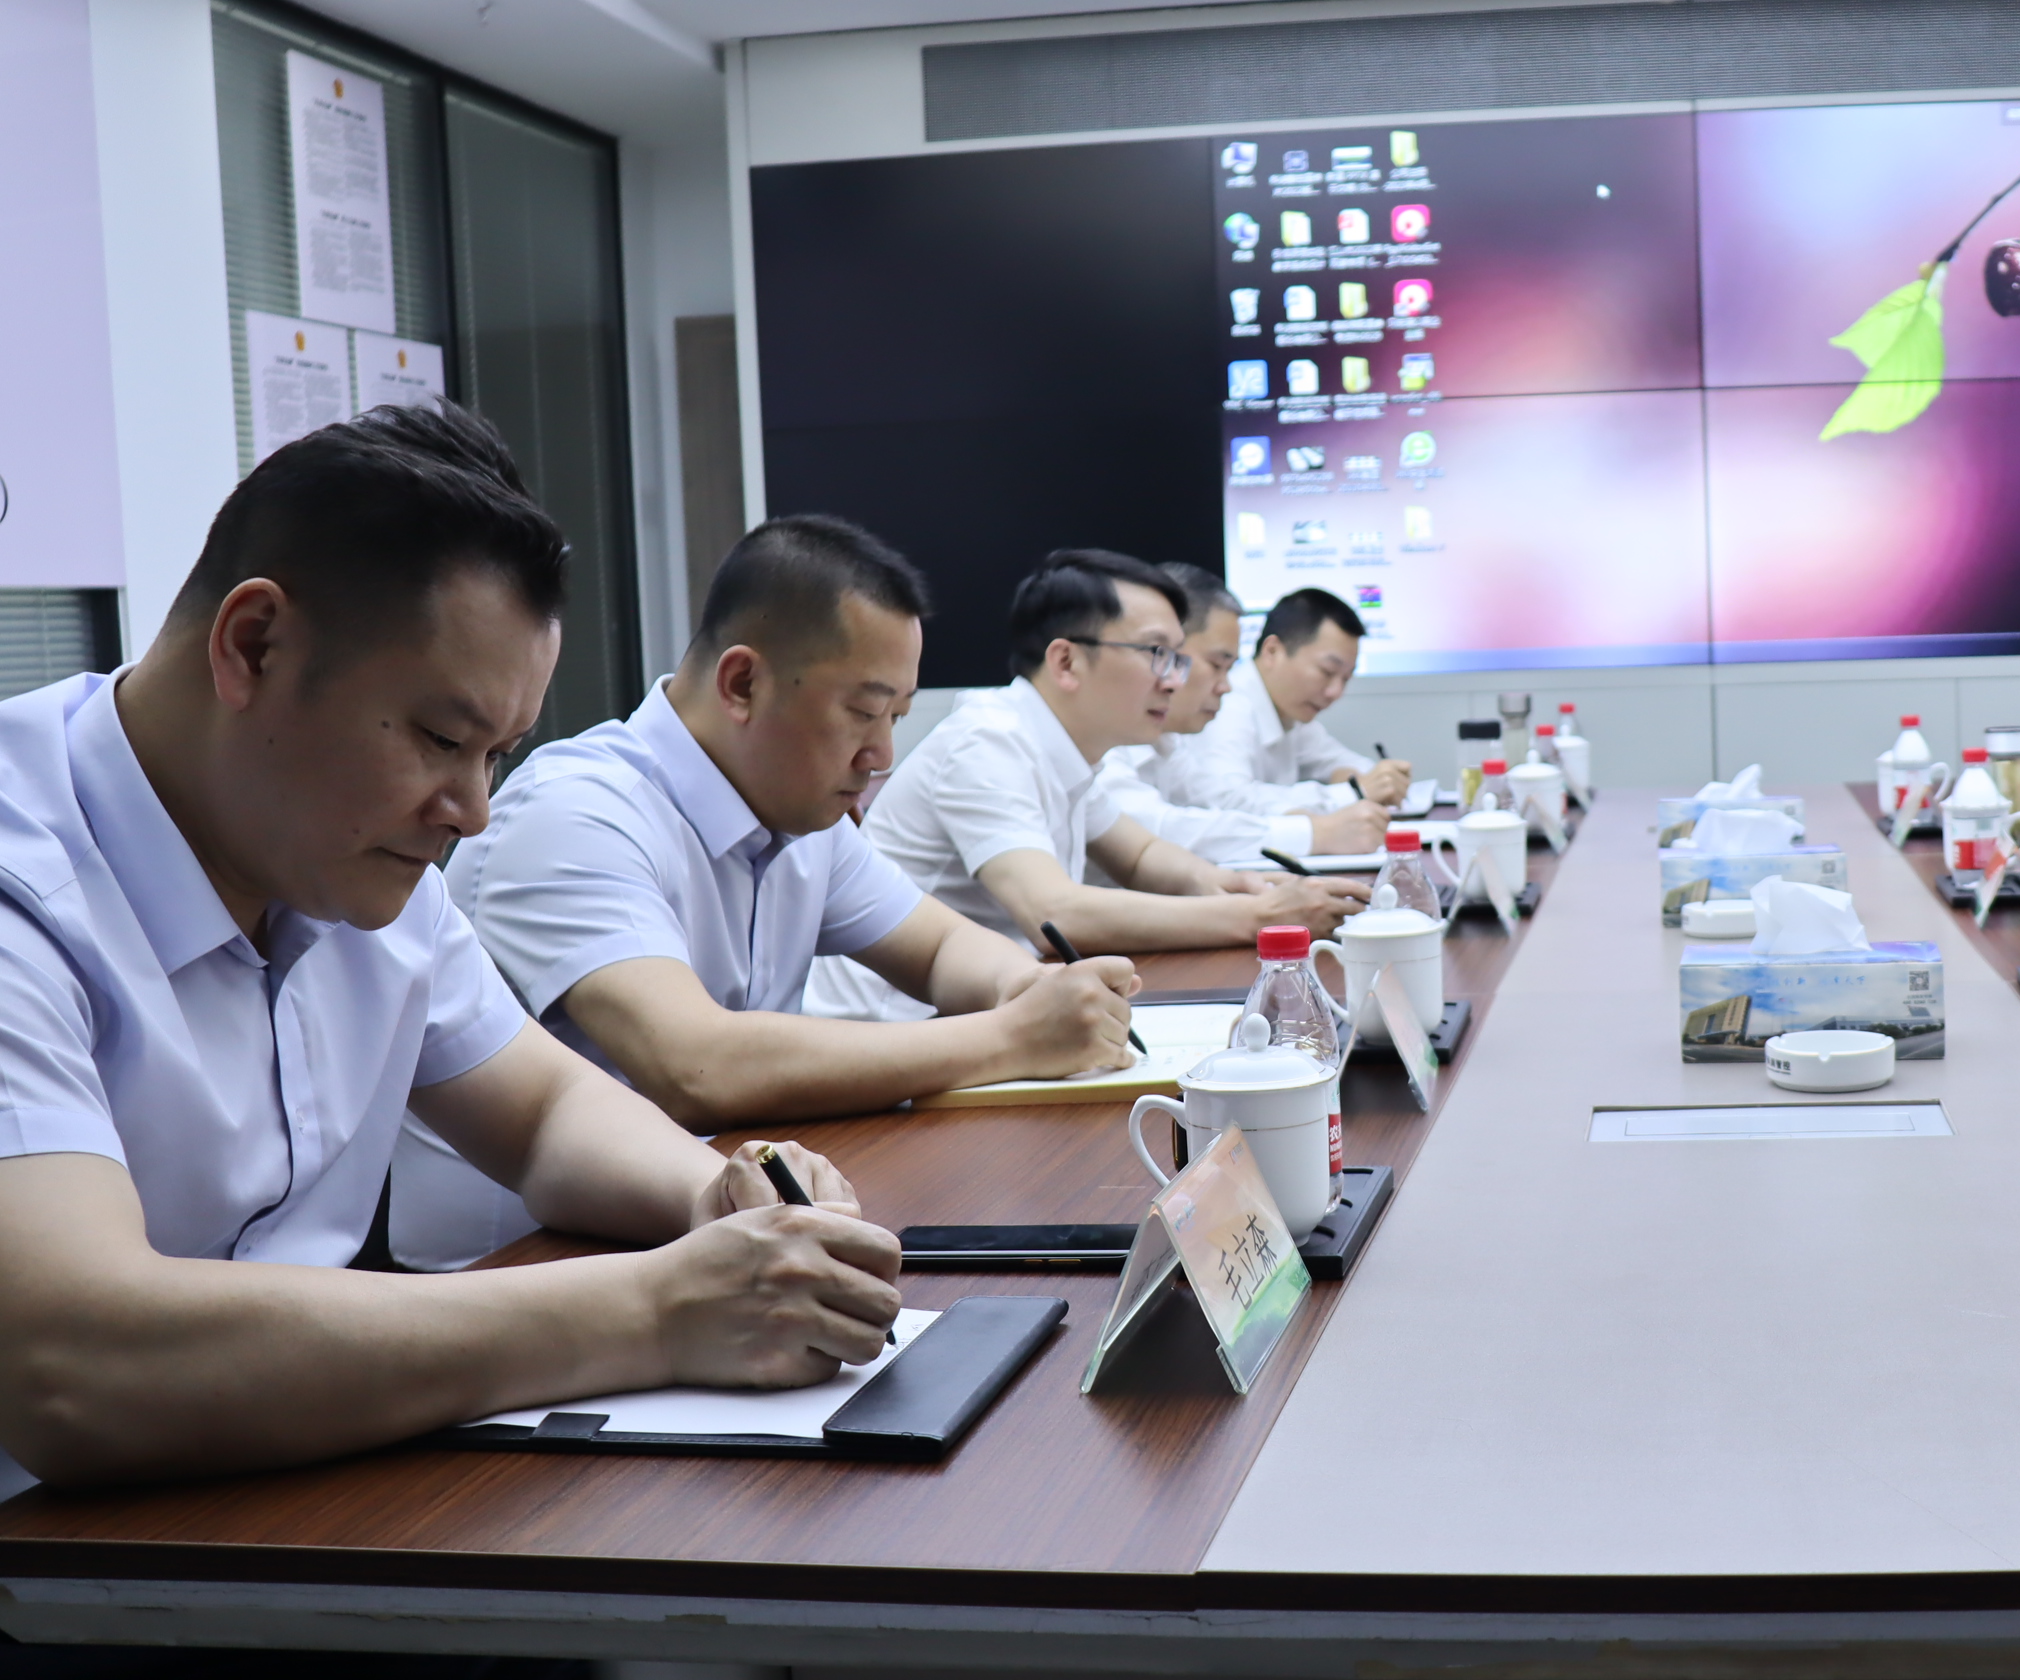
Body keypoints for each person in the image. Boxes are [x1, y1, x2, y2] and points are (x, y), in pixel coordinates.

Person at [0, 407, 897, 1497]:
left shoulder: (337, 854)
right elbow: (72, 1364)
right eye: (440, 739)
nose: (472, 810)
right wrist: (661, 1310)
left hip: (304, 1497)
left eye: (497, 754)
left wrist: (723, 1196)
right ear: (253, 646)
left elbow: (546, 1112)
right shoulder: (27, 885)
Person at [386, 516, 1141, 1271]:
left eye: (897, 717)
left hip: (722, 1225)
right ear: (743, 683)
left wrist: (1030, 991)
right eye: (864, 712)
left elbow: (942, 947)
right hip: (528, 1268)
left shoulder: (798, 813)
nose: (881, 755)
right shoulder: (574, 812)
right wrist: (1013, 1036)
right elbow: (697, 1067)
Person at [808, 551, 1365, 1019]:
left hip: (981, 1011)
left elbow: (1142, 856)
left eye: (1178, 658)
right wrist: (1258, 918)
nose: (1174, 680)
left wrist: (1239, 886)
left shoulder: (1066, 748)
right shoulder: (987, 741)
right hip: (895, 1033)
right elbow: (1055, 913)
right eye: (1157, 654)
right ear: (1067, 662)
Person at [1095, 561, 1391, 863]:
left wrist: (1313, 823)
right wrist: (1315, 832)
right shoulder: (1104, 744)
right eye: (1161, 656)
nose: (1226, 687)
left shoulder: (1164, 743)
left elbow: (1219, 803)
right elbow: (1156, 832)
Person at [1176, 586, 1413, 818]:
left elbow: (1340, 761)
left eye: (1346, 678)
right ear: (1272, 651)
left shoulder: (1290, 711)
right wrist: (1353, 792)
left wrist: (1364, 777)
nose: (1335, 692)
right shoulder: (1229, 706)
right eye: (1327, 671)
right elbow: (1228, 801)